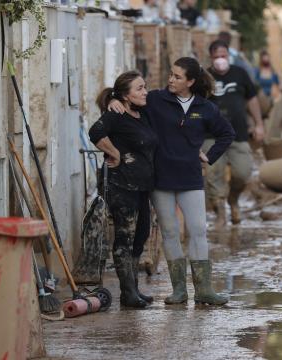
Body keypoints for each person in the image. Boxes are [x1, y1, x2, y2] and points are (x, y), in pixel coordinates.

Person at [110, 57, 235, 306]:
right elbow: (128, 98)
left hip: (190, 177)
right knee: (169, 232)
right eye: (170, 74)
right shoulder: (155, 100)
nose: (171, 79)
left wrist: (208, 157)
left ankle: (204, 289)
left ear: (190, 81)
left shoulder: (205, 107)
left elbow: (227, 133)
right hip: (160, 178)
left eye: (177, 77)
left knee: (198, 230)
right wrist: (113, 99)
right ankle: (179, 290)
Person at [89, 71, 158, 308]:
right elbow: (95, 133)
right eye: (139, 88)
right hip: (120, 185)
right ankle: (128, 294)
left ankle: (134, 290)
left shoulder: (144, 113)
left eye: (144, 87)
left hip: (141, 187)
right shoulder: (115, 115)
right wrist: (114, 152)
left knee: (140, 236)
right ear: (126, 95)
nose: (145, 91)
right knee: (124, 238)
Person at [204, 39, 265, 228]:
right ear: (211, 58)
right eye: (216, 57)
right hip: (211, 135)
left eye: (223, 56)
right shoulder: (204, 77)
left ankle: (233, 198)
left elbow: (252, 100)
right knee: (214, 175)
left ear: (228, 56)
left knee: (243, 172)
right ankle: (220, 213)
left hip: (238, 134)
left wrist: (259, 124)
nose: (220, 60)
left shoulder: (240, 74)